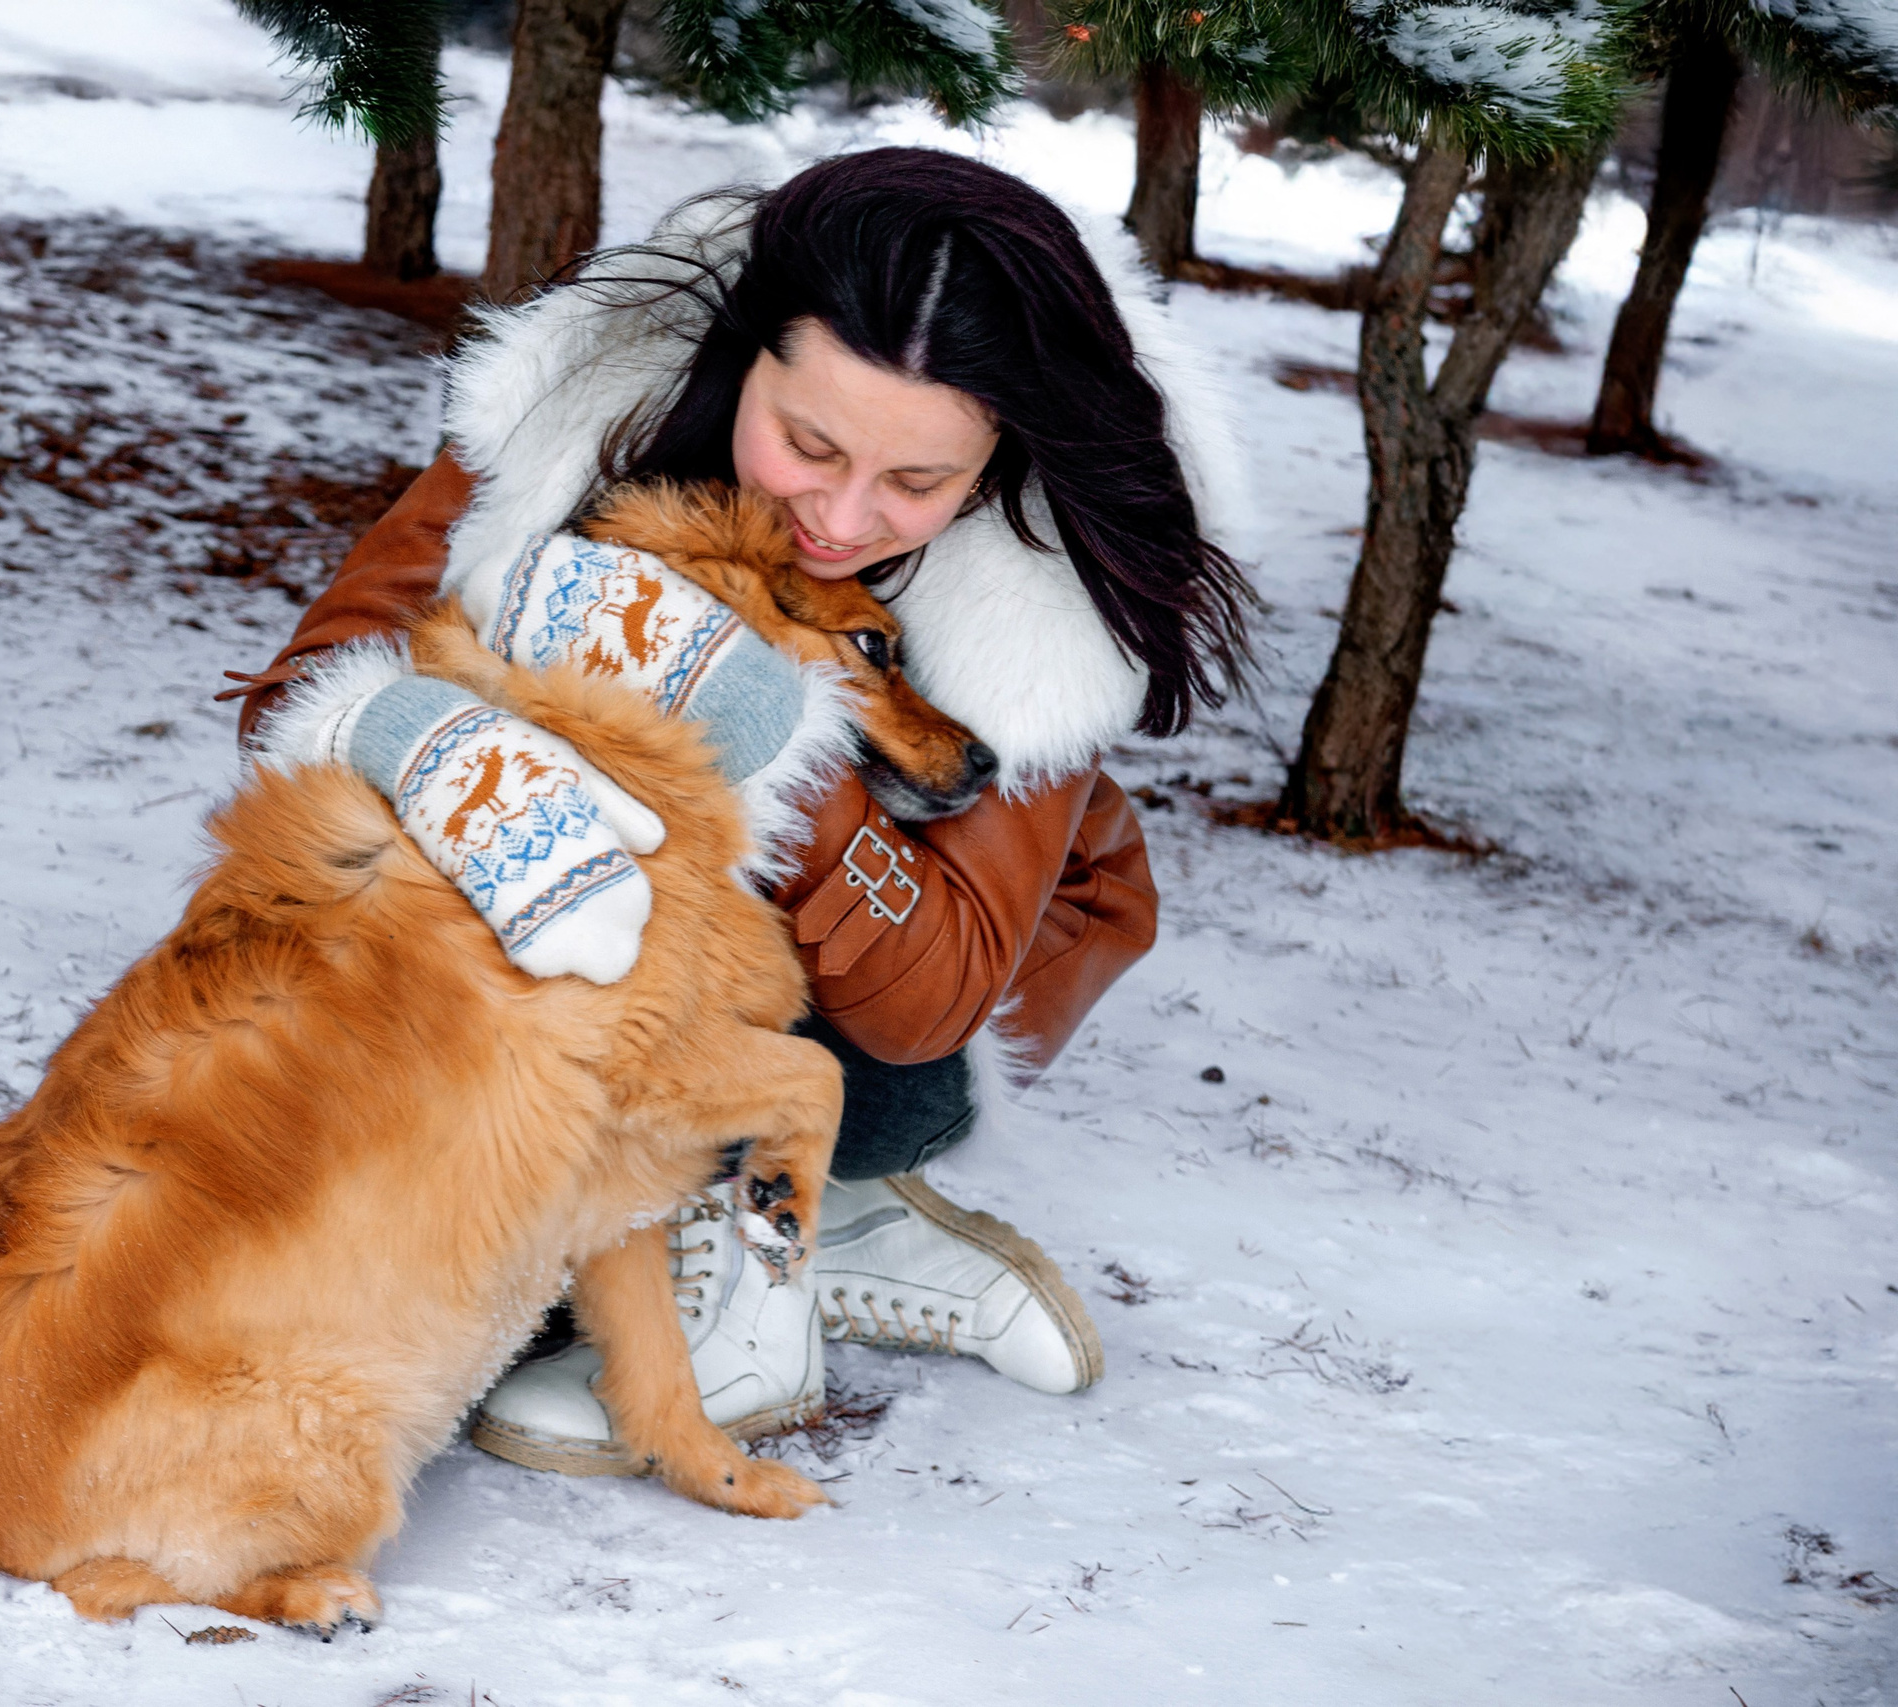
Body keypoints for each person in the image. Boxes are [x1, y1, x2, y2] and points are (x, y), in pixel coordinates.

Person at [221, 146, 1250, 1475]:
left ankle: (770, 1266)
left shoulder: (1050, 588)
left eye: (916, 484)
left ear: (998, 460)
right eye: (808, 443)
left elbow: (925, 999)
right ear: (737, 354)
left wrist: (766, 711)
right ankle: (835, 1231)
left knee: (515, 1246)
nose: (838, 514)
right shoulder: (588, 407)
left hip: (884, 1036)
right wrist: (441, 745)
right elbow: (307, 695)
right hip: (586, 941)